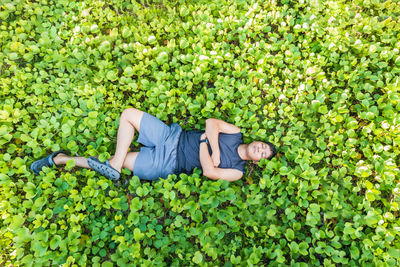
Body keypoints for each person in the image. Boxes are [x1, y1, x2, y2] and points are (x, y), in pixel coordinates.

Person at [31, 108, 276, 182]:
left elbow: (210, 172)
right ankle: (115, 164)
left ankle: (59, 159)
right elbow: (212, 123)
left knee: (111, 165)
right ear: (256, 141)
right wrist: (210, 142)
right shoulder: (235, 134)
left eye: (263, 155)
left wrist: (204, 144)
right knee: (128, 114)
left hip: (169, 163)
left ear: (257, 161)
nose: (261, 150)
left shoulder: (236, 171)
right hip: (170, 137)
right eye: (263, 146)